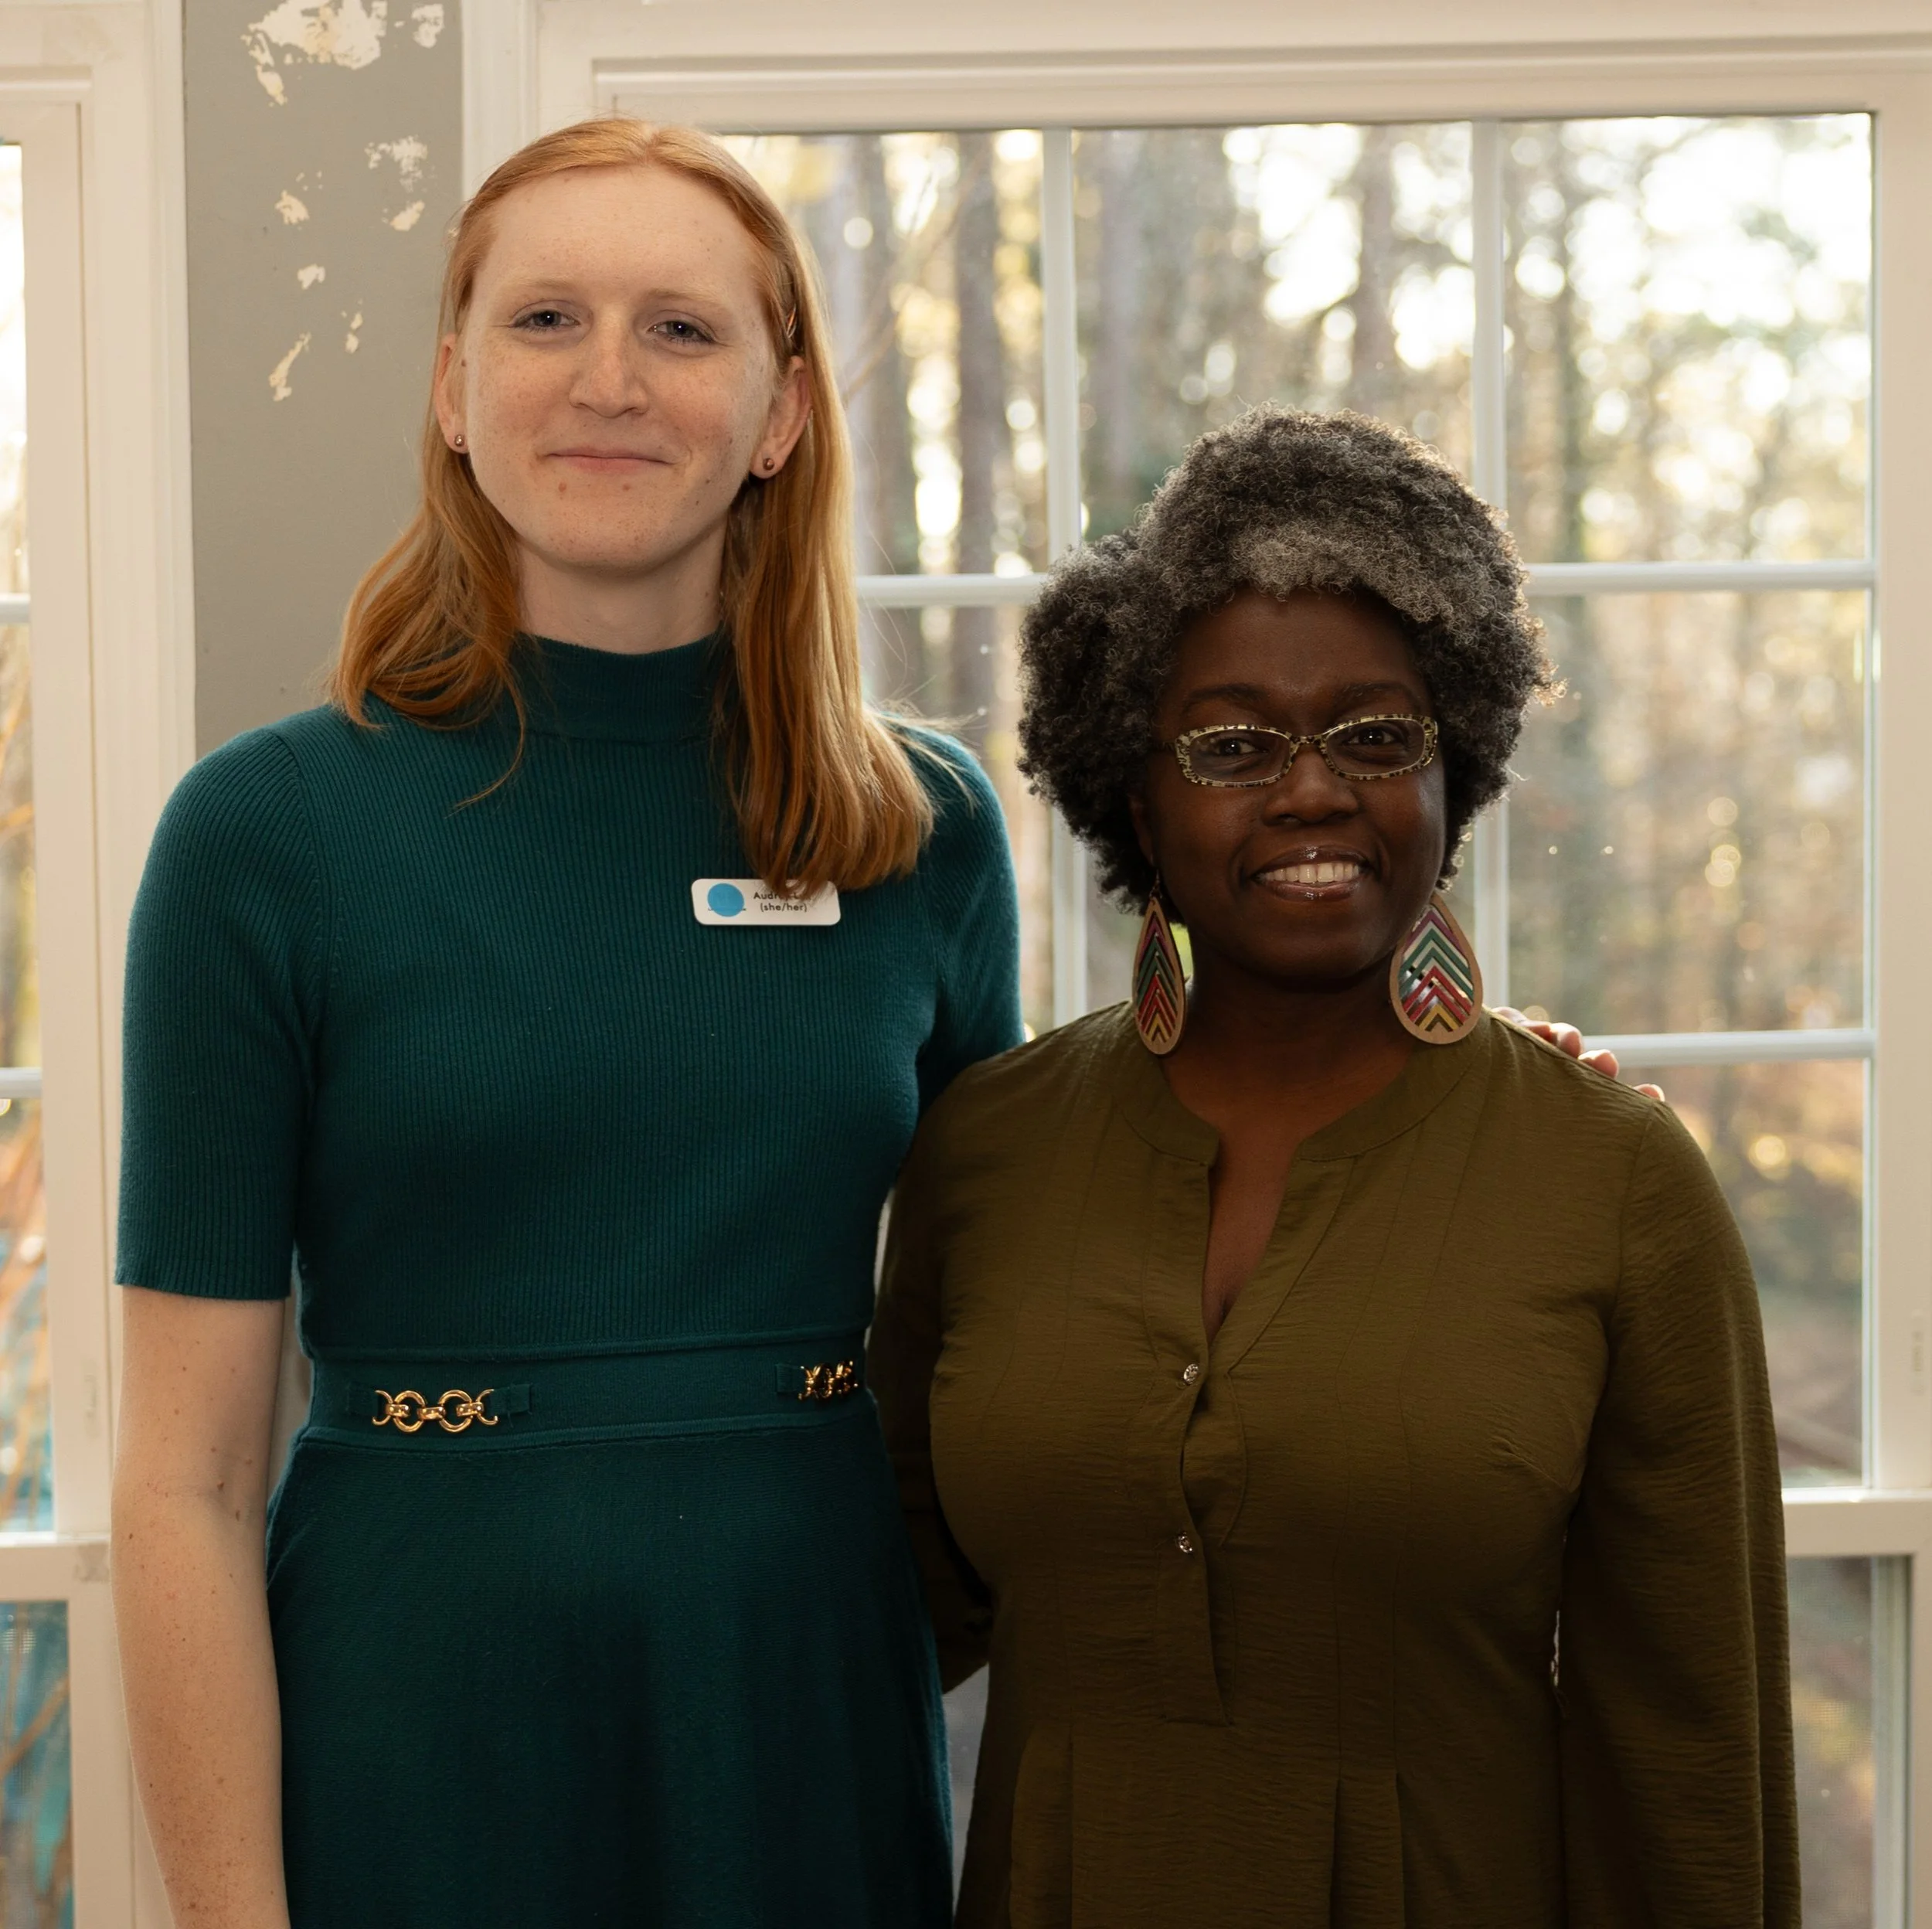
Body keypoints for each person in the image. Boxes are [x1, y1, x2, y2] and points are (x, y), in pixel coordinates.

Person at [109, 120, 1021, 1927]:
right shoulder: (263, 837)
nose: (609, 380)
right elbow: (190, 1477)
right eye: (545, 320)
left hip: (807, 1703)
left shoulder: (919, 828)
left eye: (681, 331)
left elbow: (1035, 1304)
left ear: (778, 414)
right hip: (414, 1704)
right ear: (454, 391)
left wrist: (1437, 1070)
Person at [869, 407, 1798, 1928]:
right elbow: (877, 1616)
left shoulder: (1609, 1181)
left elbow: (1684, 1753)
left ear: (1454, 777)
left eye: (1374, 735)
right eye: (1231, 743)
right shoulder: (987, 1151)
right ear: (1137, 798)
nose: (1310, 792)